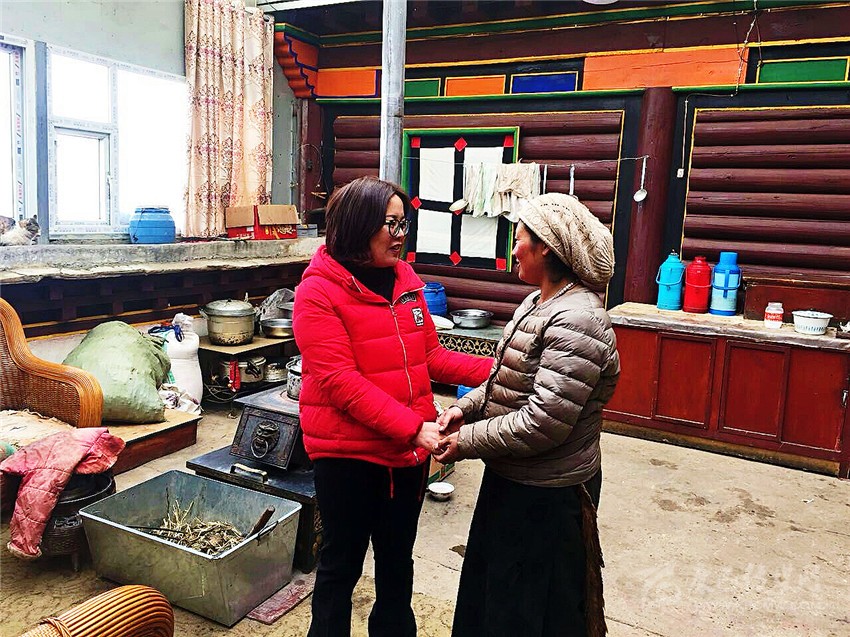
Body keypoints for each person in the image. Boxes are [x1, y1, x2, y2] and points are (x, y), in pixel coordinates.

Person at [292, 176, 493, 637]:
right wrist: (413, 427)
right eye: (391, 224)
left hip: (405, 455)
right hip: (348, 455)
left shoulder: (406, 282)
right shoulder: (318, 292)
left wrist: (502, 367)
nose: (401, 235)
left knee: (397, 562)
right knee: (341, 564)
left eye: (405, 224)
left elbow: (432, 357)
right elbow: (339, 381)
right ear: (358, 225)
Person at [435, 192, 621, 637]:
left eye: (519, 239)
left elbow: (543, 422)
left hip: (547, 495)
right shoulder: (537, 303)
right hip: (514, 479)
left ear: (547, 250)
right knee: (496, 597)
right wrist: (463, 409)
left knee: (532, 610)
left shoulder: (578, 320)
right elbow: (503, 380)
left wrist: (465, 442)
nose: (514, 249)